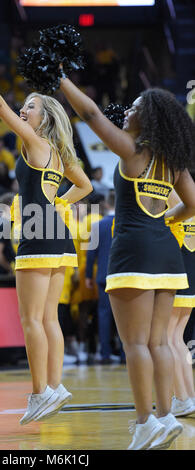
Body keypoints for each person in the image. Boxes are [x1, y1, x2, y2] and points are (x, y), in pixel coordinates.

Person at [59, 73, 195, 449]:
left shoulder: (133, 150)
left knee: (135, 345)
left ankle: (144, 422)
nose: (127, 110)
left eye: (135, 107)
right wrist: (167, 220)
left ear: (148, 118)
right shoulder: (174, 162)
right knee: (159, 344)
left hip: (133, 251)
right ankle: (165, 417)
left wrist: (60, 78)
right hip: (168, 255)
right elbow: (194, 204)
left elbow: (89, 114)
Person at [0, 72, 92, 425]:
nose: (23, 110)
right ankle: (54, 387)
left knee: (30, 319)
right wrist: (57, 205)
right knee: (48, 318)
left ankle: (40, 392)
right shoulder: (57, 153)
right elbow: (84, 186)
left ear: (45, 118)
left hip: (37, 239)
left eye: (30, 106)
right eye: (24, 105)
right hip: (58, 237)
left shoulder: (36, 143)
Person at [86, 190, 125, 364]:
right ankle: (126, 354)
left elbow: (90, 254)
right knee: (126, 317)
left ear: (107, 204)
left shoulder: (97, 225)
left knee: (104, 315)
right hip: (125, 276)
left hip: (103, 275)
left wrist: (88, 276)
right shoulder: (126, 223)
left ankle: (105, 354)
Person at [167, 191, 195, 418]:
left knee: (167, 338)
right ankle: (187, 397)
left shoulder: (173, 195)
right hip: (191, 278)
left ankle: (182, 398)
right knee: (178, 339)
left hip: (178, 273)